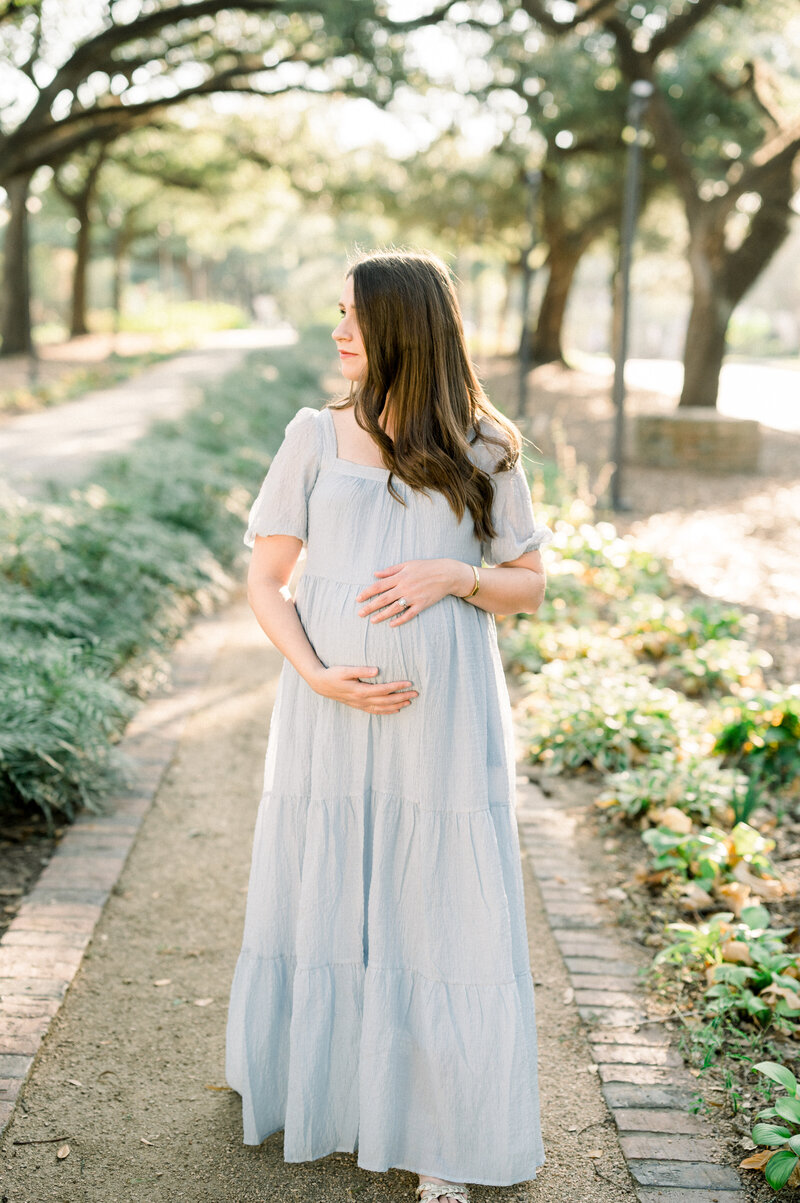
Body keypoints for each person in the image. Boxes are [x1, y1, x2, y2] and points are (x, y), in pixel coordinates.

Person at [225, 249, 552, 1203]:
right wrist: (320, 674)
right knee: (331, 886)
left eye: (356, 318)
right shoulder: (313, 436)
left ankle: (445, 1132)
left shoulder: (486, 444)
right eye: (338, 314)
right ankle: (327, 1084)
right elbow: (266, 579)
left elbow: (529, 585)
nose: (339, 333)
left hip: (442, 722)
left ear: (406, 329)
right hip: (331, 713)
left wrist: (458, 576)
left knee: (440, 908)